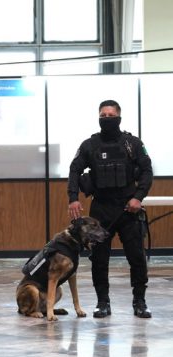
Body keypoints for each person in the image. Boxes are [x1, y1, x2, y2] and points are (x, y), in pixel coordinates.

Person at [68, 100, 153, 319]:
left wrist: (138, 197)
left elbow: (146, 171)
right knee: (99, 259)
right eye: (103, 115)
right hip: (101, 210)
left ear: (119, 117)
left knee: (136, 257)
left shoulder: (131, 143)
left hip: (128, 209)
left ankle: (140, 302)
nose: (107, 118)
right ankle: (102, 303)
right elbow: (75, 169)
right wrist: (73, 199)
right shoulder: (90, 145)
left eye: (110, 114)